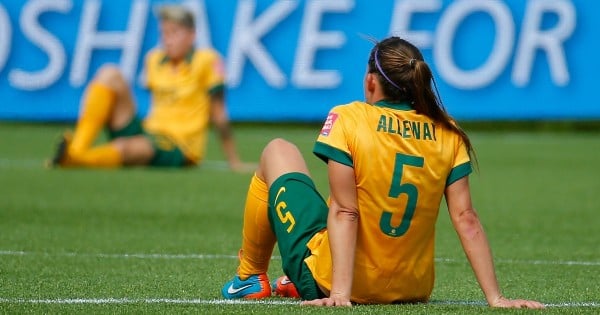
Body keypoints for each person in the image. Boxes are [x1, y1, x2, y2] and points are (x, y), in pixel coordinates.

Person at [220, 36, 545, 308]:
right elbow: (466, 219)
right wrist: (496, 297)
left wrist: (339, 294)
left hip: (336, 283)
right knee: (327, 219)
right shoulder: (449, 131)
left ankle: (250, 277)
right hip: (411, 291)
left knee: (278, 150)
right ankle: (293, 279)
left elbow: (346, 211)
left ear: (371, 80)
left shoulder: (349, 117)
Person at [48, 5, 248, 170]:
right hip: (150, 132)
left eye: (174, 33)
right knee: (110, 74)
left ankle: (76, 159)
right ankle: (77, 150)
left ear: (191, 35)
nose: (167, 40)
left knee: (128, 147)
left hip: (180, 146)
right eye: (164, 33)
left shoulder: (208, 61)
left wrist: (234, 161)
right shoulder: (154, 59)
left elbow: (219, 115)